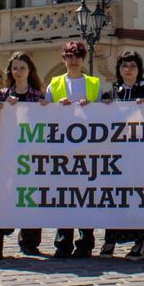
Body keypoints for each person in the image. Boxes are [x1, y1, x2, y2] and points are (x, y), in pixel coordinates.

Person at [99, 51, 144, 261]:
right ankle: (110, 240)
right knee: (115, 197)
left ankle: (139, 243)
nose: (128, 70)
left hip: (139, 156)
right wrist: (104, 107)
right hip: (117, 155)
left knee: (137, 197)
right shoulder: (112, 93)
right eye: (124, 66)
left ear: (139, 69)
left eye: (132, 66)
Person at [45, 41, 101, 259]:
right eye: (69, 55)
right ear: (63, 59)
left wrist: (93, 107)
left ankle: (85, 241)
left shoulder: (94, 84)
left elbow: (105, 115)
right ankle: (63, 241)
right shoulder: (54, 84)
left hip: (87, 147)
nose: (73, 59)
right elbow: (45, 111)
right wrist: (56, 107)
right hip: (62, 147)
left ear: (83, 58)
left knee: (85, 195)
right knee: (64, 195)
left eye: (77, 55)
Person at [0, 51, 46, 259]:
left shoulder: (38, 96)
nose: (18, 72)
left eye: (22, 68)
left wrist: (47, 109)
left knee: (31, 195)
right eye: (15, 68)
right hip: (6, 153)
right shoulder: (3, 95)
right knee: (2, 196)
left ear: (29, 71)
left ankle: (30, 241)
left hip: (30, 154)